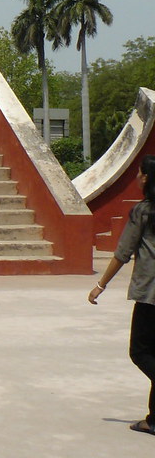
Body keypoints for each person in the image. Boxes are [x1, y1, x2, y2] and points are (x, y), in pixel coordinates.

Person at [89, 154, 155, 435]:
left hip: (151, 293)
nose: (137, 177)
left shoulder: (144, 211)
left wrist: (100, 285)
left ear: (147, 178)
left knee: (140, 352)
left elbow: (122, 253)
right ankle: (153, 420)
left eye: (140, 173)